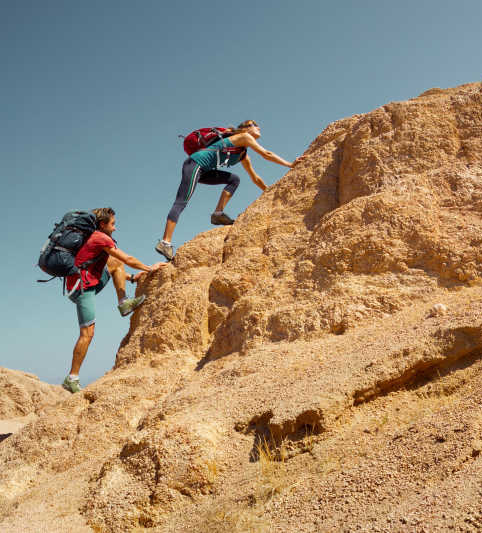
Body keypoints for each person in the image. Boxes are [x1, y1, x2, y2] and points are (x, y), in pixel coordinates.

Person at [155, 120, 304, 261]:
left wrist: (269, 192)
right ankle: (165, 242)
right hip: (195, 164)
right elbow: (266, 154)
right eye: (254, 125)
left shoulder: (243, 155)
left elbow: (255, 178)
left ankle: (217, 214)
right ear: (245, 129)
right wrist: (290, 164)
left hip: (205, 171)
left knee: (234, 179)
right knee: (181, 202)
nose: (258, 127)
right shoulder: (243, 137)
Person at [62, 207, 166, 393]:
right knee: (87, 334)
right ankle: (72, 378)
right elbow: (128, 258)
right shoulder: (100, 238)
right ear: (103, 225)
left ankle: (123, 303)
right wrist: (150, 268)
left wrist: (132, 278)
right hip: (82, 288)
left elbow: (111, 266)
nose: (115, 228)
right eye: (113, 224)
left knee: (114, 262)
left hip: (82, 282)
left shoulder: (92, 237)